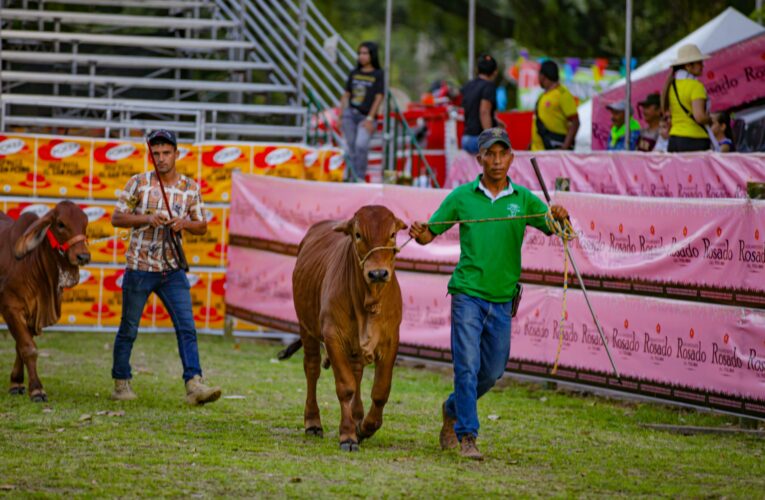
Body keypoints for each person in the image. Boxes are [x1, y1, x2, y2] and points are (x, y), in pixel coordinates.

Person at [408, 128, 569, 460]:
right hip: (467, 293)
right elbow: (429, 235)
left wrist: (562, 217)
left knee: (492, 372)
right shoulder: (461, 197)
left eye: (502, 154)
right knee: (465, 366)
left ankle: (452, 408)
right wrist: (419, 231)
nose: (496, 160)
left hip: (502, 299)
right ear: (479, 158)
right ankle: (468, 436)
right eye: (490, 154)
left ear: (511, 157)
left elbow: (560, 231)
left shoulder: (523, 198)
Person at [110, 129, 221, 405]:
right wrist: (147, 219)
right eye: (156, 153)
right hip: (139, 266)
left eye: (166, 153)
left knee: (187, 326)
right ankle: (121, 383)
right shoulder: (137, 183)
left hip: (172, 270)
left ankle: (194, 384)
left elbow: (203, 226)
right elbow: (116, 218)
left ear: (176, 154)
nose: (161, 158)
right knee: (129, 327)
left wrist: (183, 224)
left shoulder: (190, 187)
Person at [340, 41, 384, 182]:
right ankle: (350, 177)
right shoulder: (354, 72)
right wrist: (341, 114)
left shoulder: (378, 74)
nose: (362, 56)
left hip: (366, 117)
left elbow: (379, 97)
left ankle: (359, 177)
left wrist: (370, 118)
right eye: (360, 53)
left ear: (372, 55)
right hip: (350, 115)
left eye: (365, 53)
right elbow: (346, 94)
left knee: (361, 145)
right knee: (351, 147)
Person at [660, 44, 711, 152]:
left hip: (674, 140)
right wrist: (711, 119)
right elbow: (700, 117)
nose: (703, 65)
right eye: (699, 62)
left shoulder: (671, 85)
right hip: (695, 140)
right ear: (688, 66)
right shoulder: (696, 86)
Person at [530, 60, 579, 150]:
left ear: (543, 76)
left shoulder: (562, 94)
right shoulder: (542, 96)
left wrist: (565, 147)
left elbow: (575, 122)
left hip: (553, 152)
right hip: (537, 151)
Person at [461, 54, 500, 154]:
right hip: (478, 140)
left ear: (477, 70)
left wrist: (496, 121)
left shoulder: (468, 86)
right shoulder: (489, 86)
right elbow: (484, 112)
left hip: (465, 139)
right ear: (495, 72)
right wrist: (490, 140)